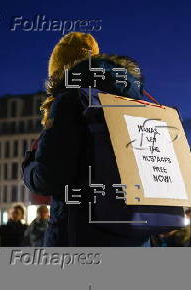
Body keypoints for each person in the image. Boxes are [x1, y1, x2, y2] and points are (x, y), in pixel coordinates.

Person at [22, 32, 153, 246]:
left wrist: (28, 165)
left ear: (59, 71)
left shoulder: (69, 101)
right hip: (136, 235)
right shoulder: (133, 102)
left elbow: (49, 178)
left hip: (80, 235)